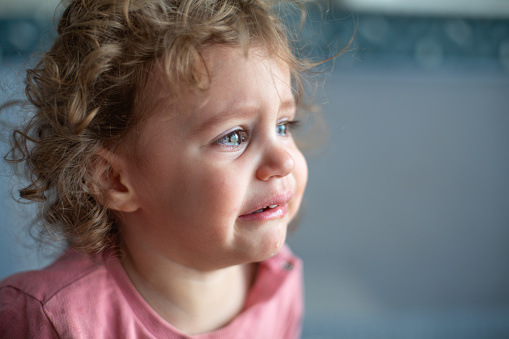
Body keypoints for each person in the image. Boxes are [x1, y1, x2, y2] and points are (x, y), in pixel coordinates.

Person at [0, 0, 316, 337]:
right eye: (234, 136)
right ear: (115, 180)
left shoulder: (279, 281)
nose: (285, 161)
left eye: (284, 126)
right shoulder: (50, 320)